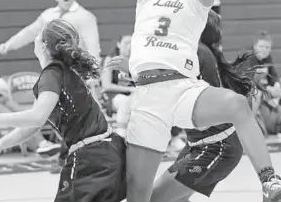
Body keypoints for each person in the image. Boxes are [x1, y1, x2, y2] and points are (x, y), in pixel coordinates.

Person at [116, 0, 281, 202]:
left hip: (182, 88)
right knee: (139, 198)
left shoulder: (199, 0)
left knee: (238, 105)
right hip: (147, 96)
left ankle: (269, 182)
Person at [0, 19, 126, 202]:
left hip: (91, 159)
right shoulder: (63, 73)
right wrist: (1, 144)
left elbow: (37, 117)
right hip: (108, 151)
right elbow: (33, 124)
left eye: (38, 34)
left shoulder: (51, 75)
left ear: (44, 45)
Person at [106, 10, 257, 201]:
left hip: (216, 146)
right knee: (174, 199)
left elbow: (168, 88)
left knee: (153, 199)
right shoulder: (197, 51)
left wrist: (134, 70)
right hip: (200, 144)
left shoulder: (197, 51)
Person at [0, 36, 60, 156]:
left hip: (4, 99)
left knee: (24, 113)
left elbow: (5, 88)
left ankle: (42, 144)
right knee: (11, 117)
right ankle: (40, 144)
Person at [0, 0, 101, 62]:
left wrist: (93, 71)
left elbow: (93, 45)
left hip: (75, 65)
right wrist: (9, 45)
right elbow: (29, 32)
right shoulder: (48, 15)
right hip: (52, 65)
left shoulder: (85, 16)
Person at [244, 31, 281, 138]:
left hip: (261, 91)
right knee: (257, 94)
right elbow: (248, 82)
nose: (265, 50)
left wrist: (277, 85)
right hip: (246, 93)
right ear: (254, 46)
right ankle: (249, 125)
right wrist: (267, 89)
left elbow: (273, 75)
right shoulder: (248, 59)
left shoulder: (267, 59)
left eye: (268, 47)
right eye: (262, 46)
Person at [101, 35, 134, 138]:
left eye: (131, 43)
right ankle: (120, 135)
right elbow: (106, 85)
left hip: (133, 98)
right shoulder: (111, 59)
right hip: (113, 98)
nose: (129, 47)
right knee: (125, 101)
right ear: (118, 44)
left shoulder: (135, 61)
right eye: (126, 43)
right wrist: (130, 89)